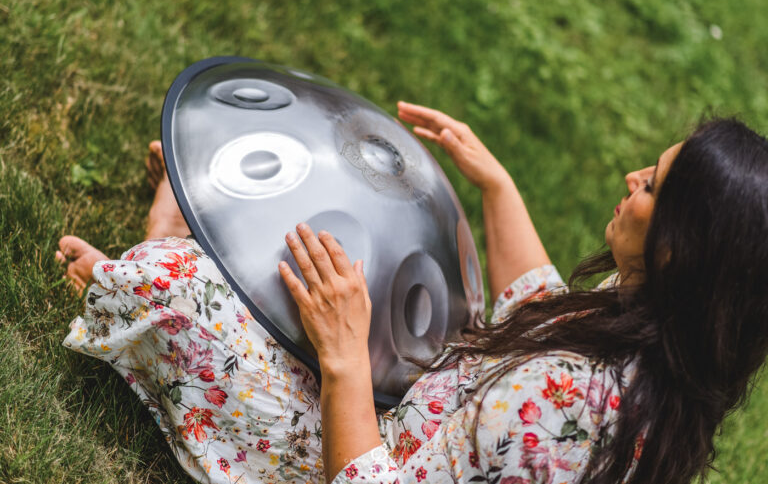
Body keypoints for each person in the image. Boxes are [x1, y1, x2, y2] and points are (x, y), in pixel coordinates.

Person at [56, 101, 768, 484]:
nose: (630, 176)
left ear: (679, 247)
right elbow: (543, 308)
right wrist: (499, 186)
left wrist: (344, 359)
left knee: (177, 289)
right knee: (281, 284)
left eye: (651, 185)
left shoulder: (555, 417)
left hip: (350, 460)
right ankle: (171, 252)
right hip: (401, 418)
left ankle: (152, 251)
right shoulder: (654, 344)